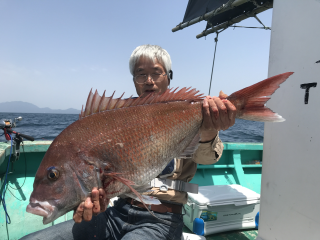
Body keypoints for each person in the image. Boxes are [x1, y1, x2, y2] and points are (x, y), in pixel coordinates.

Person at [20, 45, 236, 240]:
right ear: (134, 81)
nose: (149, 80)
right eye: (141, 75)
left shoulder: (190, 112)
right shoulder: (119, 115)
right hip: (115, 212)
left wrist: (209, 130)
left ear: (168, 77)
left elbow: (207, 157)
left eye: (156, 73)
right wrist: (85, 203)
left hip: (162, 220)